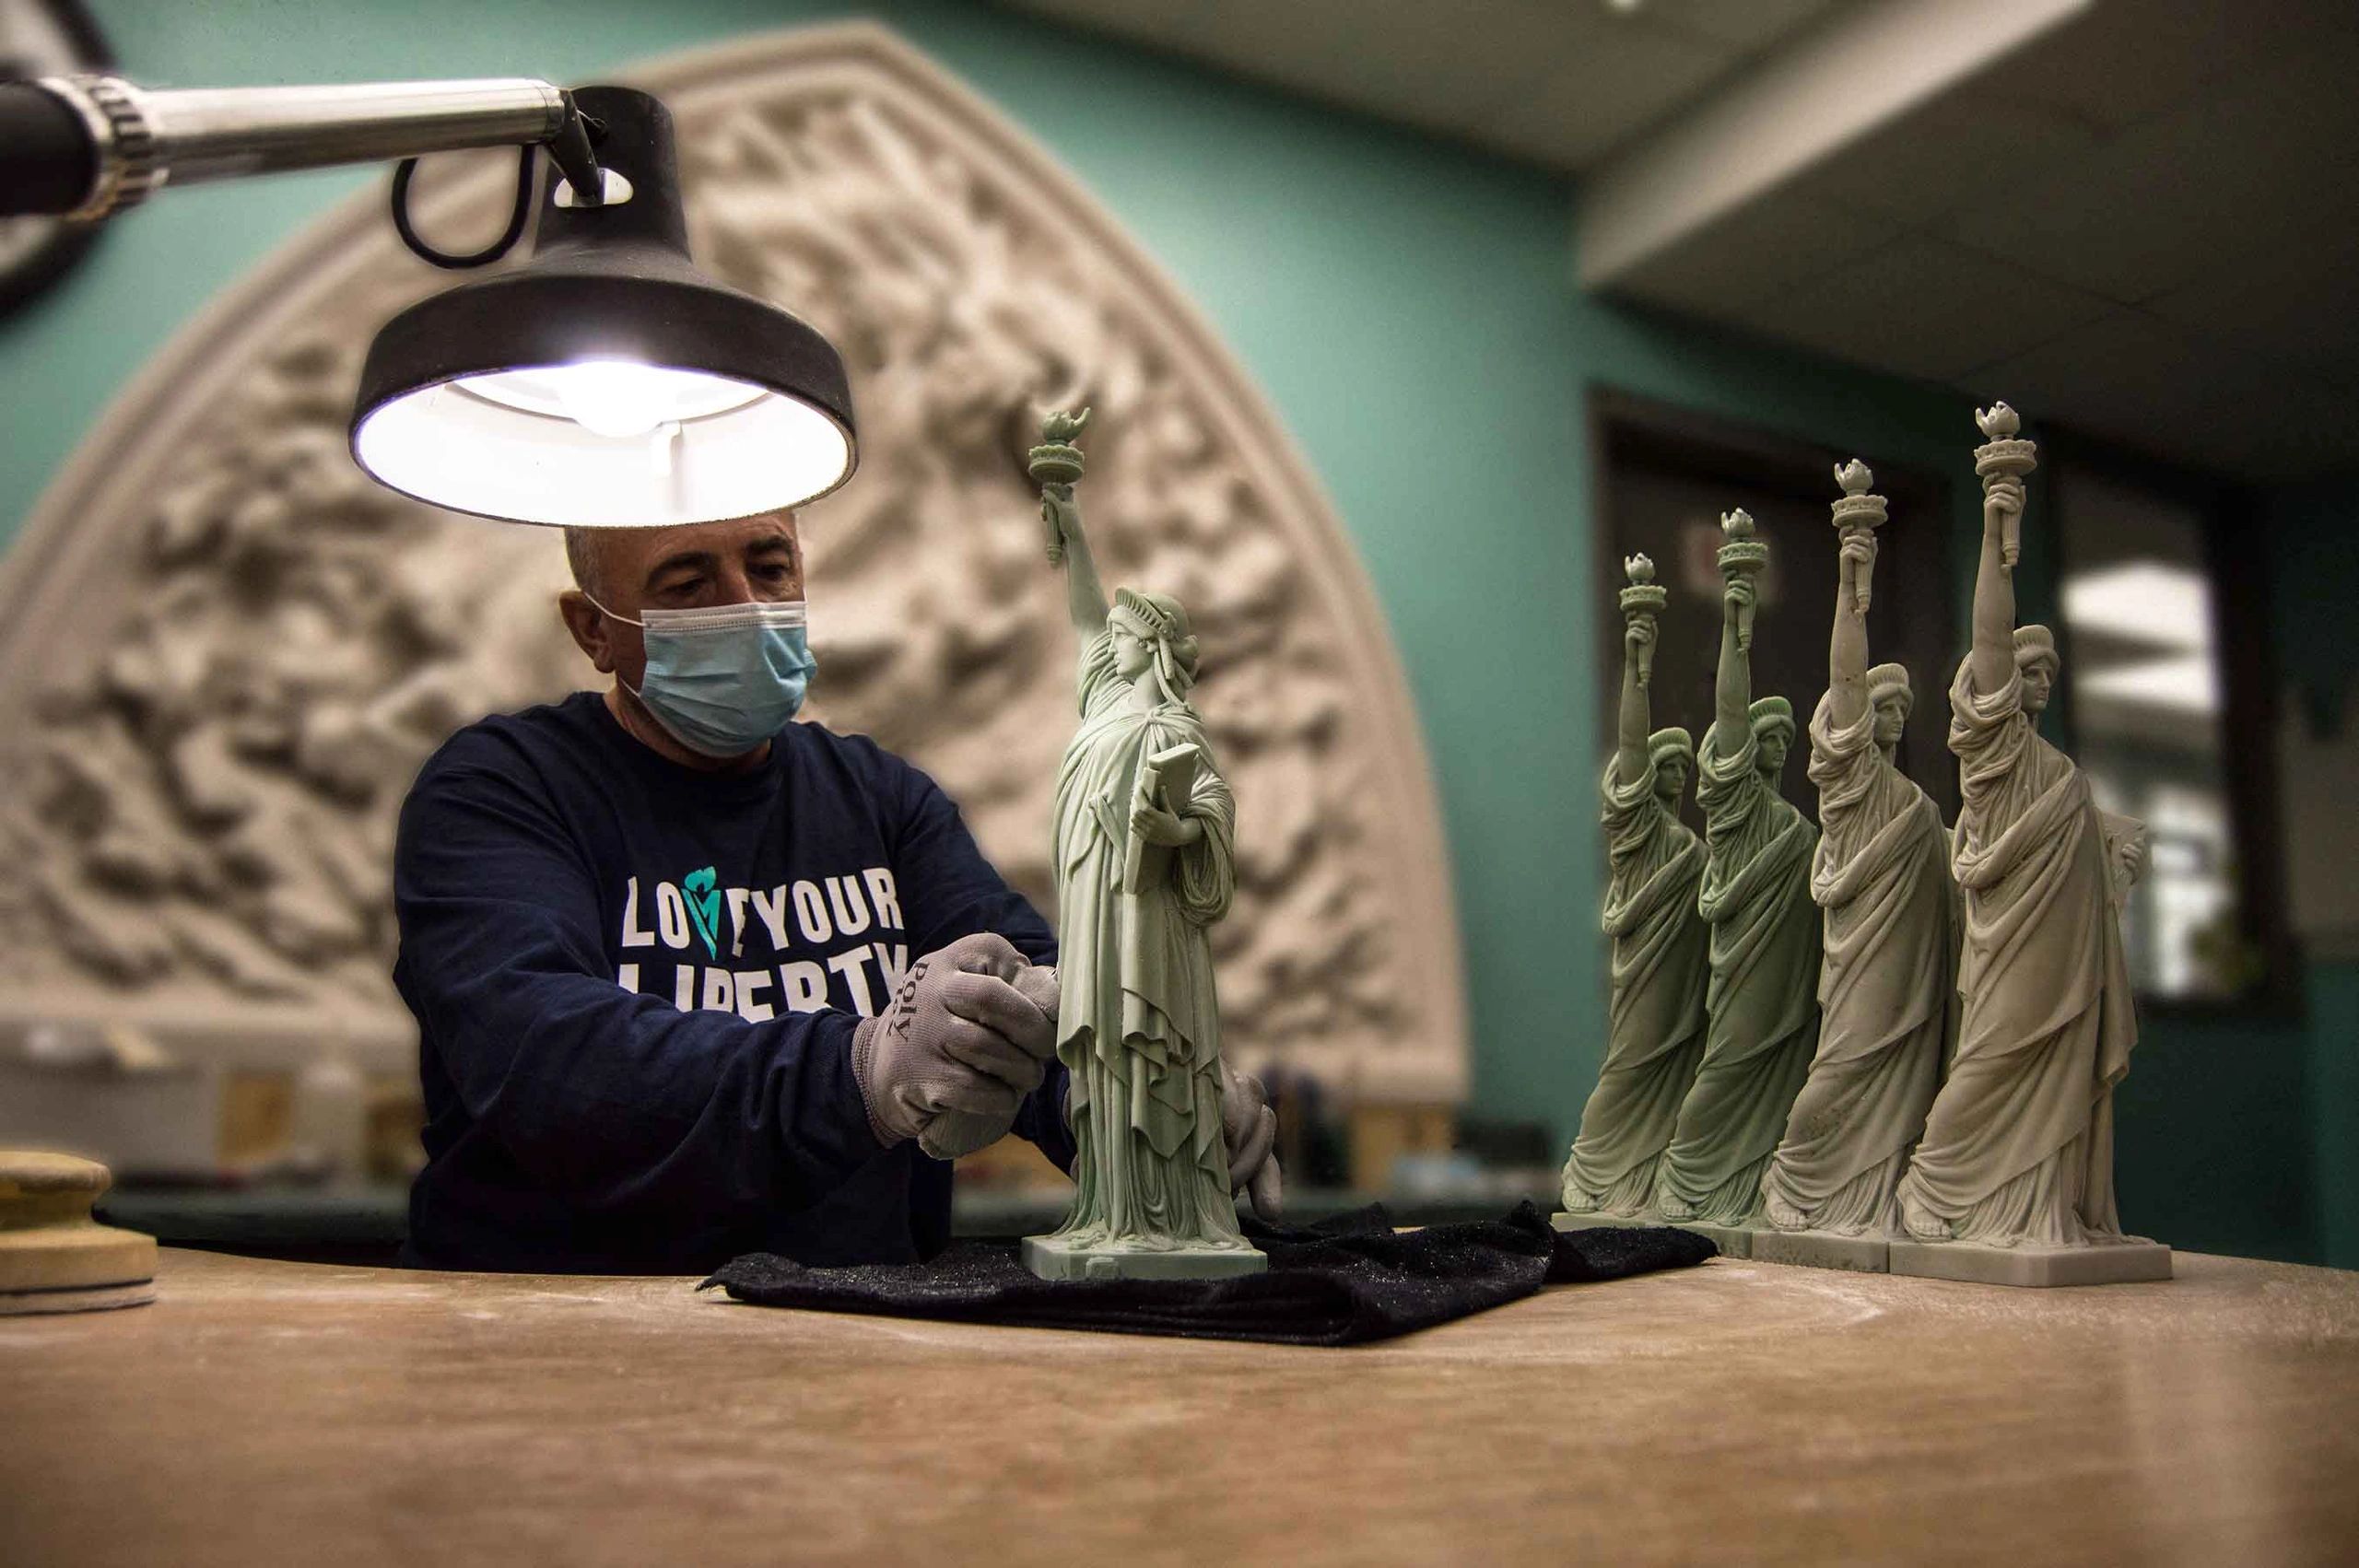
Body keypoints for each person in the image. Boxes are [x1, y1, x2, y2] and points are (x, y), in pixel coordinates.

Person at [392, 510, 1278, 1272]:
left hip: (856, 1343)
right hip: (554, 1342)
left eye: (769, 565)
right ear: (594, 629)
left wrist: (1142, 1094)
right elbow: (556, 1068)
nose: (746, 604)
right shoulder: (499, 791)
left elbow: (1032, 1000)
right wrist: (861, 1070)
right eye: (688, 583)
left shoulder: (881, 800)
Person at [1033, 468, 1279, 1258]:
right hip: (1096, 914)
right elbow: (1082, 615)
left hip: (1150, 920)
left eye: (1128, 630)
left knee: (1150, 1049)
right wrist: (1072, 528)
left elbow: (1212, 812)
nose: (1113, 634)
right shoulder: (1105, 701)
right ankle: (1114, 1207)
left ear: (1153, 646)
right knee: (1104, 1050)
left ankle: (1167, 1215)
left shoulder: (1177, 727)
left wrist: (1172, 831)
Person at [1895, 474, 2145, 1246]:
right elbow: (1991, 637)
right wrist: (1998, 520)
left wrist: (2117, 850)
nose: (2035, 680)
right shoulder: (1997, 753)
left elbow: (2083, 838)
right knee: (1991, 1059)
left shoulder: (2060, 773)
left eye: (2045, 674)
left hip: (2063, 954)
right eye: (2026, 669)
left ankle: (2036, 1209)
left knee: (2047, 1076)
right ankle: (1936, 1186)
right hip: (2010, 949)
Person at [1760, 530, 1955, 1235]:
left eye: (1904, 708)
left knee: (1905, 1094)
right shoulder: (1854, 787)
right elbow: (1846, 677)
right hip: (1862, 965)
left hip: (1917, 972)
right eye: (1882, 707)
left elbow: (1952, 867)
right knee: (1837, 1075)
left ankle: (1870, 1198)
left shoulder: (1916, 803)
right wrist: (1852, 574)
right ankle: (1796, 1177)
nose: (1894, 717)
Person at [1653, 560, 1822, 1224]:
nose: (1775, 747)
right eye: (1764, 738)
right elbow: (1727, 710)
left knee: (1787, 1091)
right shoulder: (1739, 810)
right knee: (1717, 1080)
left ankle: (1752, 1186)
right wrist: (1736, 623)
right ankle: (1688, 1178)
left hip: (1793, 989)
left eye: (1785, 738)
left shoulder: (1798, 825)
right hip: (1745, 977)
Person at [1559, 610, 1708, 1217]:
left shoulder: (1692, 841)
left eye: (1681, 767)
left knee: (1680, 1075)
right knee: (1630, 1065)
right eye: (1664, 765)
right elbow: (1628, 746)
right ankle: (1595, 1168)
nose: (1674, 775)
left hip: (1687, 983)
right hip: (1647, 976)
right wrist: (1637, 669)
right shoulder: (1640, 833)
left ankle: (1652, 1174)